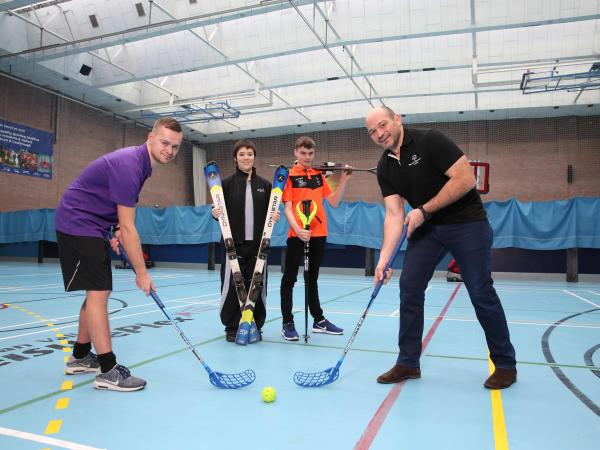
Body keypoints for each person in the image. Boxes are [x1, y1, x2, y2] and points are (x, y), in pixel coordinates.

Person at [365, 106, 516, 389]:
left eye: (382, 125)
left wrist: (424, 210)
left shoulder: (430, 140)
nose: (379, 134)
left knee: (481, 292)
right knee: (409, 288)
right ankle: (408, 362)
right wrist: (383, 261)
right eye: (372, 131)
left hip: (467, 224)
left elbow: (466, 178)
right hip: (428, 230)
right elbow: (395, 215)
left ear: (398, 119)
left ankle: (506, 363)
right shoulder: (385, 166)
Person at [55, 117, 183, 392]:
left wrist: (113, 228)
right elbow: (129, 227)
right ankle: (108, 370)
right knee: (99, 293)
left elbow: (117, 213)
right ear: (150, 137)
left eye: (175, 147)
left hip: (92, 224)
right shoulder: (130, 165)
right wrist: (142, 273)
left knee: (96, 292)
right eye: (164, 143)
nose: (169, 151)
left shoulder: (141, 164)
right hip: (77, 222)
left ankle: (80, 356)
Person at [280, 136, 352, 341]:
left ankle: (318, 321)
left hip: (319, 234)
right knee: (290, 279)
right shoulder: (288, 175)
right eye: (303, 153)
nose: (307, 157)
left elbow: (335, 202)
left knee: (312, 279)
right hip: (297, 234)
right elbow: (287, 208)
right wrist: (298, 230)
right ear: (295, 152)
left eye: (311, 153)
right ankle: (287, 322)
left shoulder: (319, 176)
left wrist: (344, 179)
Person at [211, 139, 276, 342]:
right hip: (233, 246)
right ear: (235, 158)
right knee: (231, 287)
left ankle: (255, 324)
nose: (246, 157)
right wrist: (214, 213)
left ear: (254, 157)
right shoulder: (226, 184)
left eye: (249, 154)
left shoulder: (265, 186)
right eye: (242, 154)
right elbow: (218, 211)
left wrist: (274, 216)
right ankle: (232, 326)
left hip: (258, 247)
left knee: (257, 286)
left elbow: (269, 213)